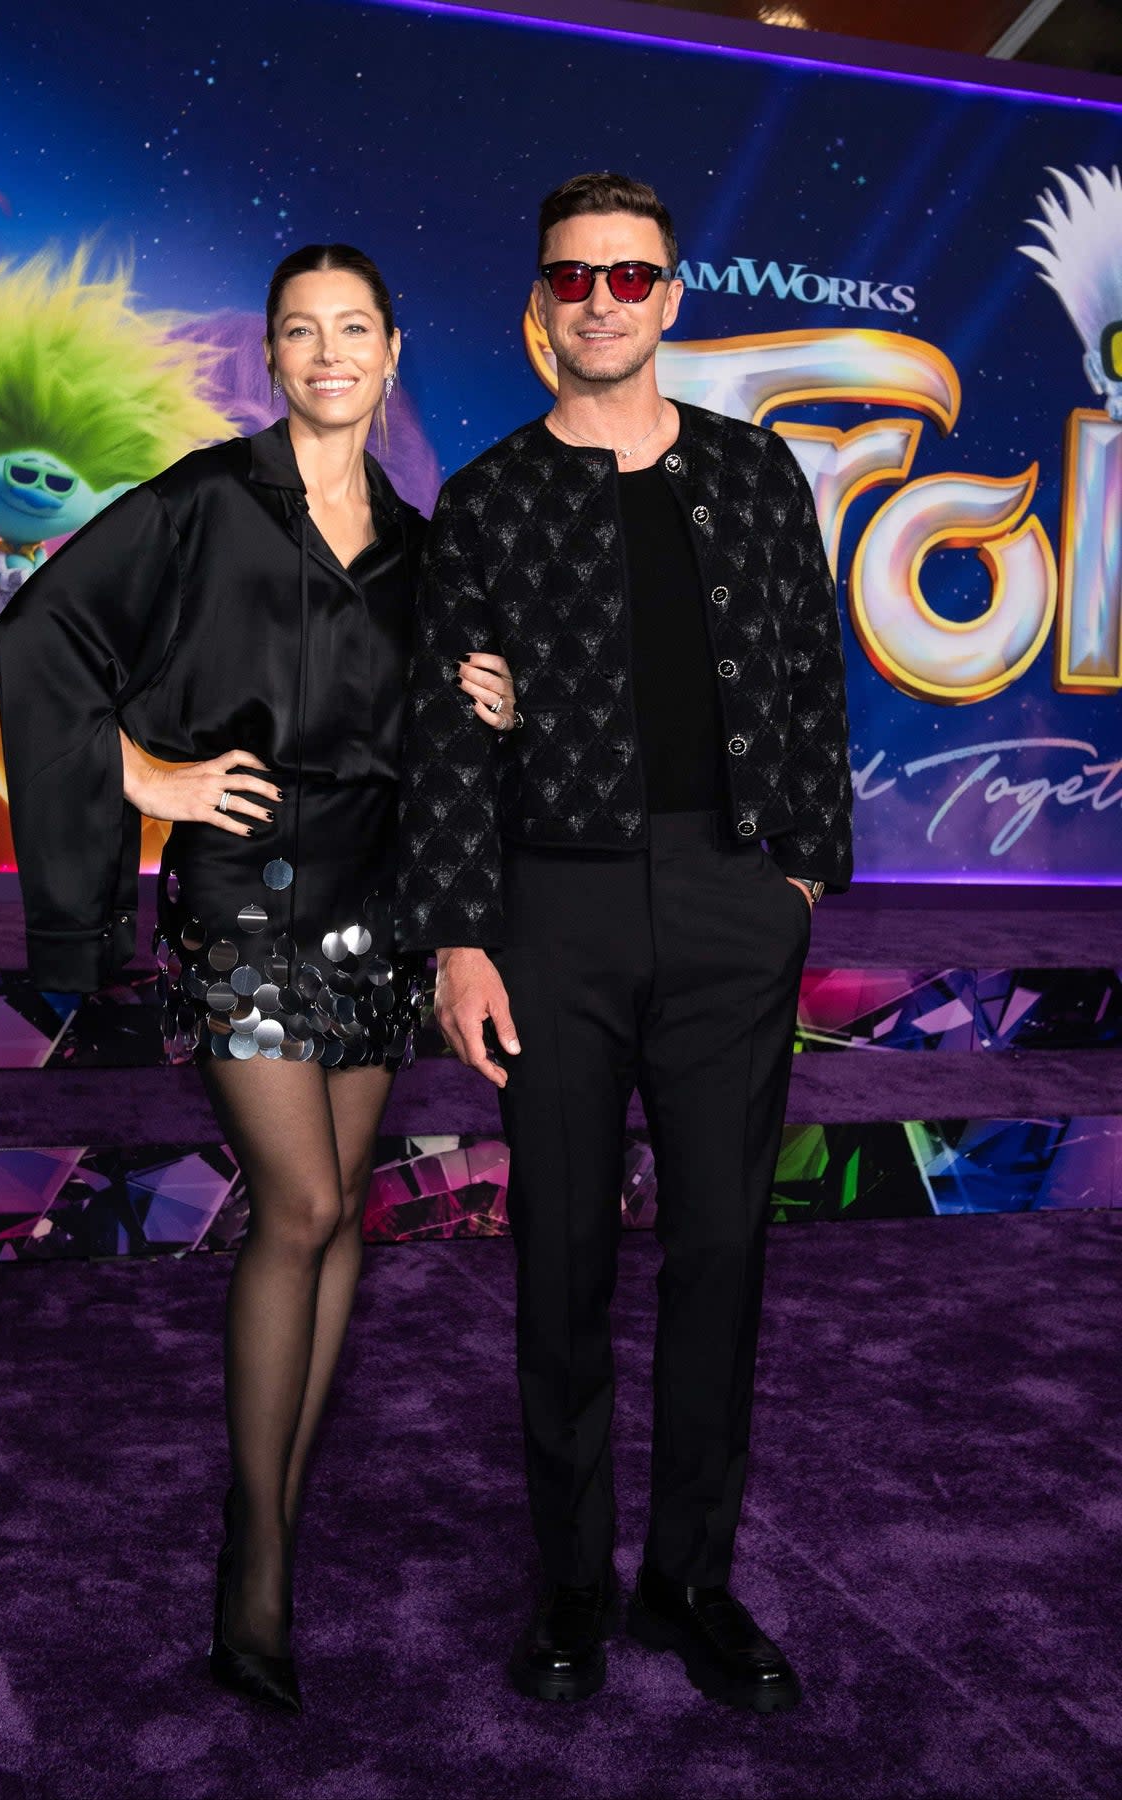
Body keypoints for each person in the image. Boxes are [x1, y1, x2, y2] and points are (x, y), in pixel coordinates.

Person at [0, 244, 517, 1717]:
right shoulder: (207, 502)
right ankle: (261, 1552)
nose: (330, 351)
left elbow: (436, 749)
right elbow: (41, 635)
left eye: (356, 328)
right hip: (244, 905)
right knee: (296, 1205)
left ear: (393, 353)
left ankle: (272, 1489)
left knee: (343, 1210)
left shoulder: (426, 548)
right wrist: (148, 768)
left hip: (379, 916)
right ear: (273, 358)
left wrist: (492, 704)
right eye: (303, 330)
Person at [397, 173, 853, 1712]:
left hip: (736, 906)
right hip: (556, 917)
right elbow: (448, 742)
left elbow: (811, 677)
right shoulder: (488, 499)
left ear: (673, 296)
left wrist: (799, 883)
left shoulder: (757, 476)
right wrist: (462, 941)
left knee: (723, 1255)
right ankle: (574, 1589)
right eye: (571, 278)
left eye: (629, 275)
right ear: (542, 304)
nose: (600, 300)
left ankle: (692, 1581)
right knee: (562, 1267)